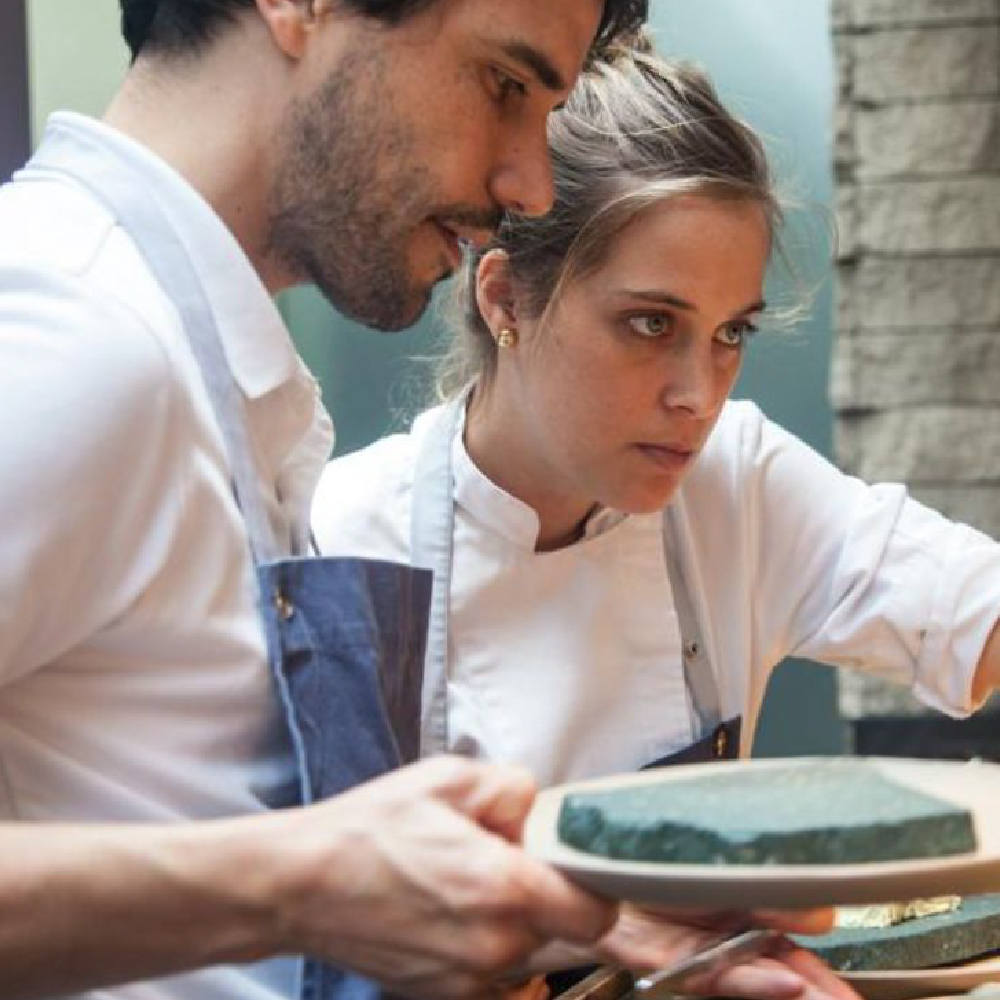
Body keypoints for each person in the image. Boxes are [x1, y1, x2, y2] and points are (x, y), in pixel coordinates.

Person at [0, 2, 708, 999]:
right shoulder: (70, 331)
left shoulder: (197, 346)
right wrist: (308, 878)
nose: (528, 183)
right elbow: (296, 883)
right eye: (503, 85)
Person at [312, 35, 1000, 993]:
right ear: (507, 298)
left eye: (730, 335)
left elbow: (978, 613)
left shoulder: (736, 476)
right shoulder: (345, 540)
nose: (699, 394)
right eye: (651, 324)